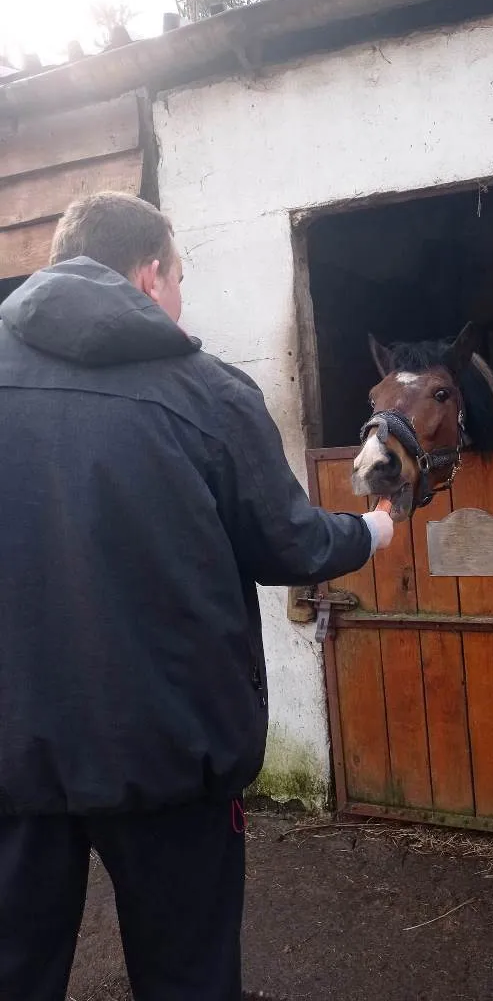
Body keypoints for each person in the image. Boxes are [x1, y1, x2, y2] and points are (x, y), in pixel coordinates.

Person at [0, 192, 394, 1001]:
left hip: (12, 748)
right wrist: (371, 531)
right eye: (181, 278)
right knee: (188, 976)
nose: (182, 297)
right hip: (169, 751)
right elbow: (290, 545)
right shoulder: (207, 392)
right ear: (150, 275)